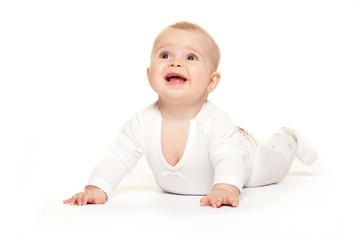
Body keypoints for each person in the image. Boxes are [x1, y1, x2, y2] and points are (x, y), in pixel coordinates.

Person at [63, 21, 317, 208]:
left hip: (248, 157)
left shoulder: (215, 121)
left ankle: (289, 137)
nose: (175, 63)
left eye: (191, 57)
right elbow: (118, 156)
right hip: (225, 146)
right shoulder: (142, 122)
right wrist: (97, 188)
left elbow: (230, 157)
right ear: (149, 72)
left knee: (277, 162)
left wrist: (225, 187)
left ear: (211, 81)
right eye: (165, 55)